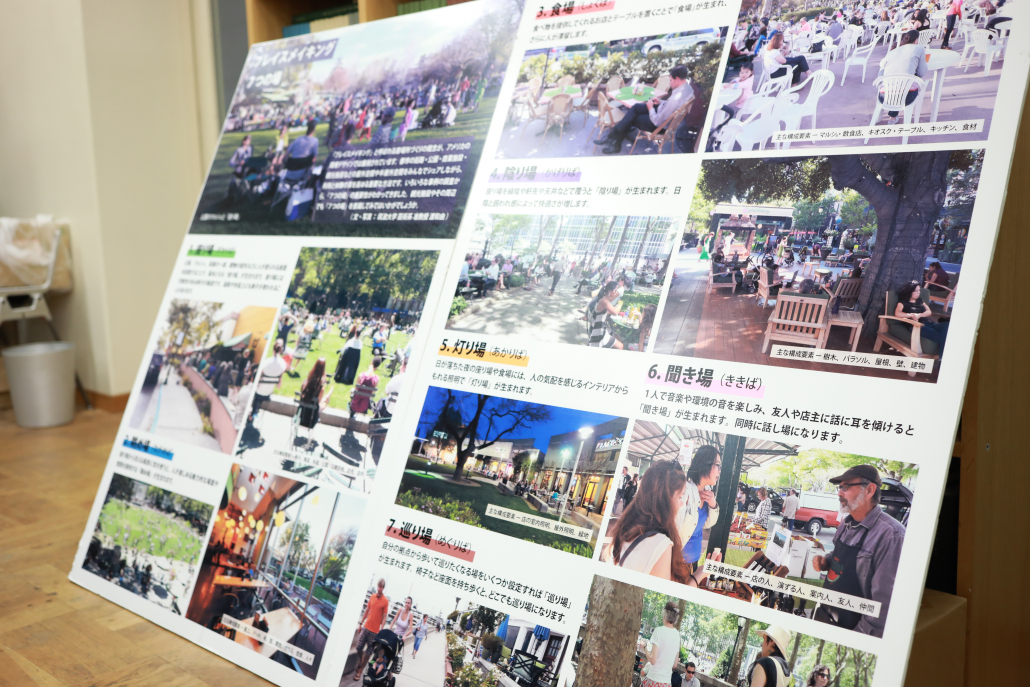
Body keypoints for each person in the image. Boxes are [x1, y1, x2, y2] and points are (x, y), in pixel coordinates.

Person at [811, 465, 905, 637]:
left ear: (869, 490)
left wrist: (854, 638)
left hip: (850, 632)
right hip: (824, 614)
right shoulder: (846, 524)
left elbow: (882, 609)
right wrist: (826, 561)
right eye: (840, 487)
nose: (839, 493)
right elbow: (840, 558)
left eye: (846, 487)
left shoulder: (891, 536)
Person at [607, 460, 720, 585]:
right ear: (665, 498)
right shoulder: (660, 544)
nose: (682, 504)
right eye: (680, 497)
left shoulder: (627, 528)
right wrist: (700, 574)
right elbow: (668, 593)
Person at [593, 65, 694, 154]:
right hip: (664, 115)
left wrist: (650, 108)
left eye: (671, 80)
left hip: (659, 126)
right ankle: (613, 138)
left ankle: (615, 142)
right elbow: (672, 106)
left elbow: (657, 121)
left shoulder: (674, 99)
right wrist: (660, 102)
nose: (670, 83)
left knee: (631, 117)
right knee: (635, 108)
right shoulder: (689, 89)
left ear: (677, 78)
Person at [678, 445, 721, 569]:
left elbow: (707, 524)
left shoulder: (707, 491)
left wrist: (713, 505)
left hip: (693, 562)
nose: (719, 471)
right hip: (678, 562)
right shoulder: (684, 491)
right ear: (706, 464)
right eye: (718, 465)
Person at [876, 30, 927, 124]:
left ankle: (892, 118)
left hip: (884, 97)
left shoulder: (892, 52)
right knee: (907, 86)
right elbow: (921, 72)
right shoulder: (919, 48)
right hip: (907, 97)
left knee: (896, 87)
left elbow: (881, 70)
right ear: (916, 40)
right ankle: (894, 118)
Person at [894, 282, 949, 355]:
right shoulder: (902, 302)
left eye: (919, 290)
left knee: (948, 325)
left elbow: (929, 312)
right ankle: (942, 358)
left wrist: (919, 315)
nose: (919, 293)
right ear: (909, 291)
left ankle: (942, 357)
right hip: (918, 326)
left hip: (931, 323)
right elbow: (897, 313)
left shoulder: (919, 300)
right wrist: (911, 315)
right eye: (916, 291)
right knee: (943, 336)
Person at [638, 601, 681, 687]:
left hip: (653, 679)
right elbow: (675, 664)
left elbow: (653, 660)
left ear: (664, 614)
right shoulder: (677, 635)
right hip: (666, 683)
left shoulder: (659, 631)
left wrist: (645, 647)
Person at [354, 579, 390, 680]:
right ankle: (361, 660)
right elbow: (367, 610)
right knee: (358, 647)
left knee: (369, 652)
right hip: (366, 627)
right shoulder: (372, 596)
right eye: (378, 586)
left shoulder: (385, 601)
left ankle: (360, 671)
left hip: (374, 632)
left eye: (381, 587)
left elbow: (384, 617)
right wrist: (361, 623)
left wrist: (381, 630)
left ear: (383, 588)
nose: (379, 589)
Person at [249, 340, 288, 425]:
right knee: (260, 397)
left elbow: (259, 376)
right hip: (268, 392)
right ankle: (255, 411)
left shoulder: (266, 362)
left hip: (260, 390)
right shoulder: (282, 363)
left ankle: (253, 413)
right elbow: (280, 381)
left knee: (256, 396)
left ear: (273, 349)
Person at [297, 358, 333, 444]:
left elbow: (303, 395)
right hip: (311, 419)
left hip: (301, 416)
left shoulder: (305, 383)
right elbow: (319, 402)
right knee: (324, 403)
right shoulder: (320, 388)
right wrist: (329, 393)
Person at [587, 281, 625, 349]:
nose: (616, 292)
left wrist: (613, 309)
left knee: (617, 338)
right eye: (615, 290)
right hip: (598, 331)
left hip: (599, 328)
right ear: (610, 291)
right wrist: (620, 303)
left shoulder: (603, 299)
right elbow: (615, 313)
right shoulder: (604, 301)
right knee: (620, 346)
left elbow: (605, 312)